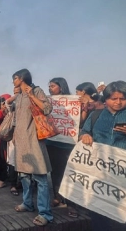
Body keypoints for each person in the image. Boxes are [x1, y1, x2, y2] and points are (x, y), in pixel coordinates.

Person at [79, 80, 126, 231]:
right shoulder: (95, 115)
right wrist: (85, 136)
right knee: (99, 217)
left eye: (123, 99)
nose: (118, 102)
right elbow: (84, 132)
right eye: (114, 99)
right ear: (105, 99)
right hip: (100, 177)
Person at [7, 68, 53, 226]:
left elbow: (47, 109)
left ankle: (45, 213)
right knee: (25, 176)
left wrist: (32, 95)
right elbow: (15, 118)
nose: (13, 81)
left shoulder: (37, 90)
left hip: (34, 140)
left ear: (21, 78)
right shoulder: (18, 96)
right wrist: (13, 134)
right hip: (20, 141)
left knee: (40, 177)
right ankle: (27, 203)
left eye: (14, 78)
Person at [46, 77, 79, 216]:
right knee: (55, 172)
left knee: (69, 174)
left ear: (61, 87)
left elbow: (80, 119)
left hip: (67, 144)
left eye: (53, 86)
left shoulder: (73, 101)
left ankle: (71, 204)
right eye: (49, 86)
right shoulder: (47, 101)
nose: (50, 88)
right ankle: (57, 197)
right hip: (51, 142)